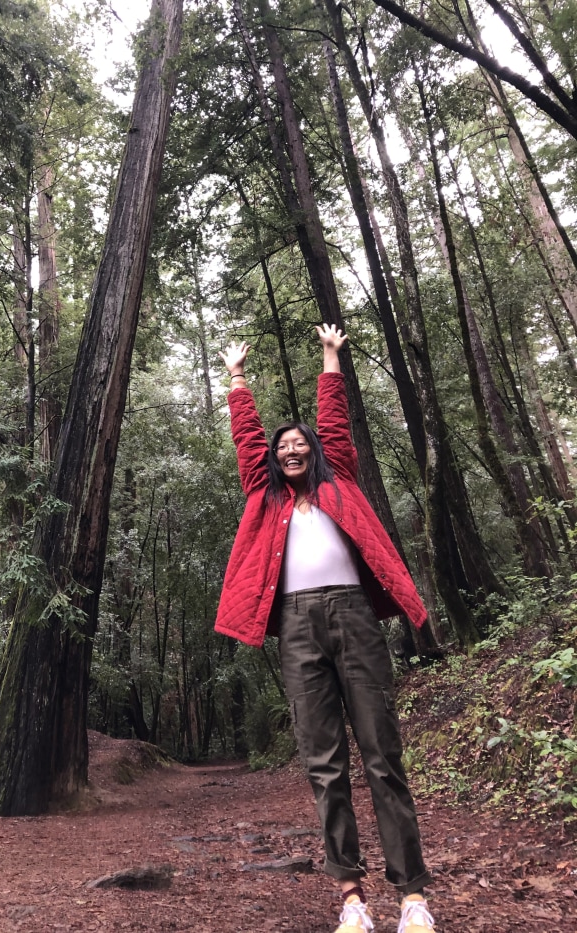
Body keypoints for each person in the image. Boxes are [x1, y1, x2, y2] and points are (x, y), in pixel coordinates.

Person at [216, 325, 436, 933]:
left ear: (313, 451)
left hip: (354, 617)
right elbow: (244, 438)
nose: (290, 450)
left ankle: (413, 896)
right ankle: (351, 898)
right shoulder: (263, 496)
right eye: (281, 446)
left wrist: (331, 357)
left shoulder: (338, 477)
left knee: (382, 756)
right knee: (324, 764)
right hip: (295, 625)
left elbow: (334, 421)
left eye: (298, 444)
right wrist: (237, 377)